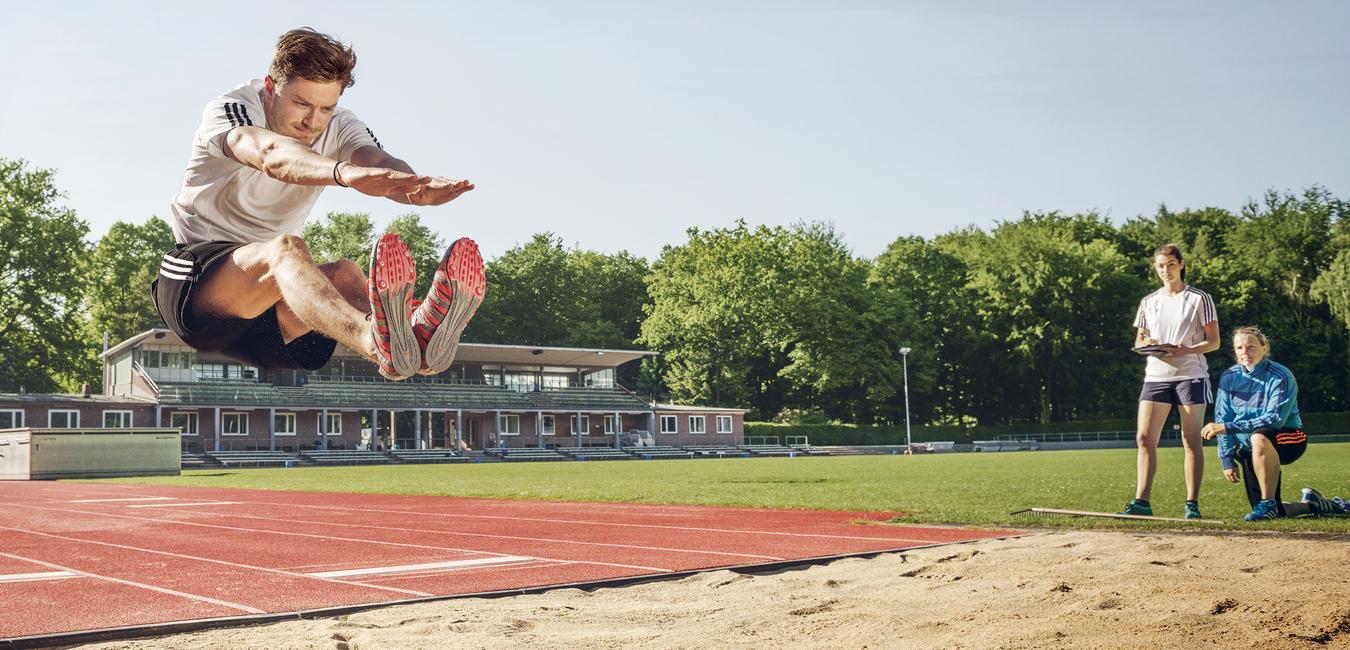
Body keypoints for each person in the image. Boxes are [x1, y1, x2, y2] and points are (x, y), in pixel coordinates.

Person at [152, 27, 484, 381]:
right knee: (286, 250)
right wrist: (342, 172)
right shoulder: (233, 109)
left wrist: (414, 187)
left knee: (345, 274)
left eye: (327, 108)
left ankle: (413, 344)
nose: (313, 121)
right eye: (301, 104)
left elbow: (376, 159)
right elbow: (270, 154)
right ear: (271, 86)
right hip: (199, 289)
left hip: (272, 316)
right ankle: (374, 341)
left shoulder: (340, 125)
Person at [1201, 326, 1343, 521]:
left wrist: (1227, 428)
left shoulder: (1281, 376)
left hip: (1288, 438)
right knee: (1274, 513)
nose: (1245, 352)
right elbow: (1222, 418)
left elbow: (1274, 419)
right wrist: (1227, 459)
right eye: (1239, 348)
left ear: (1264, 348)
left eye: (1251, 347)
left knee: (1259, 436)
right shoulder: (1229, 377)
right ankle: (1314, 504)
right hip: (1250, 447)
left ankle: (1267, 502)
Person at [1120, 244, 1220, 519]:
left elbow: (1214, 341)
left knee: (1190, 440)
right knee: (1144, 439)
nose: (1166, 270)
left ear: (1181, 265)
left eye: (1171, 264)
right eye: (1161, 265)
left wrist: (1185, 349)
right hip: (1156, 376)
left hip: (1191, 375)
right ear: (1155, 267)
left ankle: (1192, 504)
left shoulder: (1199, 298)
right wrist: (1149, 343)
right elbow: (1140, 339)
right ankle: (1142, 502)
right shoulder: (1148, 301)